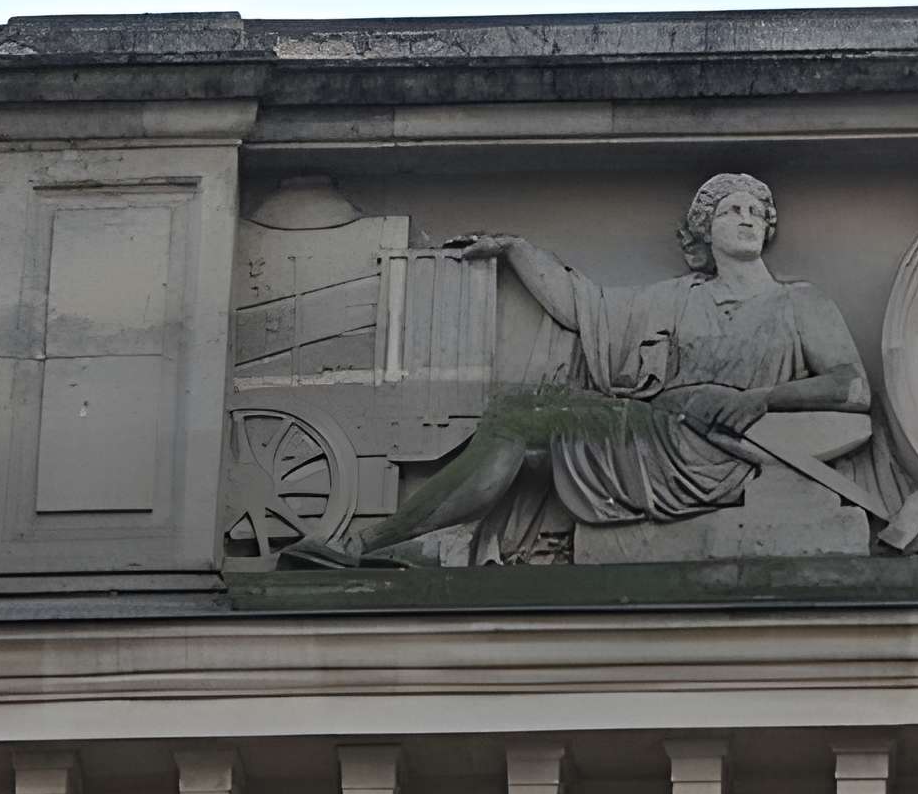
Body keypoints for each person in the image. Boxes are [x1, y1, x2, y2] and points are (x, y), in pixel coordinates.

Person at [318, 172, 874, 564]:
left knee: (520, 418)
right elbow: (588, 309)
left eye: (756, 212)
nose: (747, 219)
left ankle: (374, 543)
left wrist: (761, 398)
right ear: (705, 229)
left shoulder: (800, 302)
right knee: (519, 415)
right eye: (732, 209)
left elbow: (851, 387)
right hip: (659, 434)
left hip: (725, 448)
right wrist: (516, 251)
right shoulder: (677, 299)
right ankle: (402, 543)